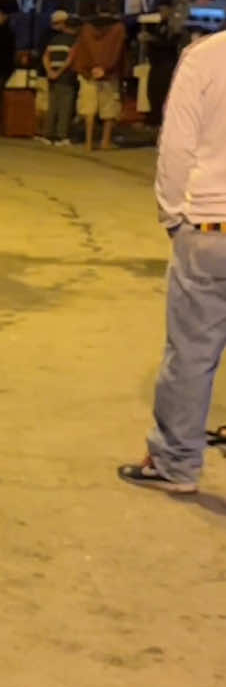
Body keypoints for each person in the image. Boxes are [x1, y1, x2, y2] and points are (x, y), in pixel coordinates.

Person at [119, 28, 226, 496]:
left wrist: (175, 216)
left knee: (192, 351)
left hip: (211, 224)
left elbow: (177, 145)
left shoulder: (207, 57)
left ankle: (175, 461)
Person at [65, 11, 126, 151]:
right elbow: (118, 52)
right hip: (109, 75)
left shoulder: (86, 29)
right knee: (109, 109)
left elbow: (82, 50)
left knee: (88, 109)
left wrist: (90, 68)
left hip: (88, 73)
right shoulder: (118, 29)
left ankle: (88, 142)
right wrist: (106, 68)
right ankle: (105, 141)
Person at [40, 9, 78, 145]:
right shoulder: (74, 41)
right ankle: (62, 136)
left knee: (53, 106)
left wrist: (50, 71)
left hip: (52, 77)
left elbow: (45, 56)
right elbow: (71, 59)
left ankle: (47, 134)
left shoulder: (54, 40)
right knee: (65, 107)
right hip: (66, 77)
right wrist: (59, 72)